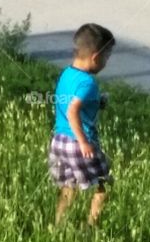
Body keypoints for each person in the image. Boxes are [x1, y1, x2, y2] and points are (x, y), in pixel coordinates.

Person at [48, 23, 115, 228]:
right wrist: (84, 142)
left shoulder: (66, 74)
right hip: (77, 143)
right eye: (106, 57)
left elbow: (69, 102)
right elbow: (73, 110)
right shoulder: (87, 83)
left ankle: (57, 227)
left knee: (69, 187)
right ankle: (92, 226)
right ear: (95, 57)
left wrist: (98, 102)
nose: (106, 62)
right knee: (105, 185)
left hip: (58, 142)